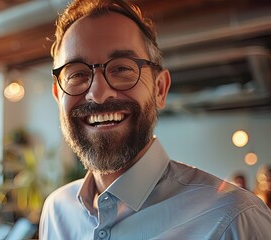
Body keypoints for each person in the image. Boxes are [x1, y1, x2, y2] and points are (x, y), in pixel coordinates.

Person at [39, 0, 271, 239]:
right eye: (77, 73)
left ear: (160, 89)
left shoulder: (234, 219)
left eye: (121, 69)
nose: (98, 94)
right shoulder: (57, 211)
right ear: (58, 96)